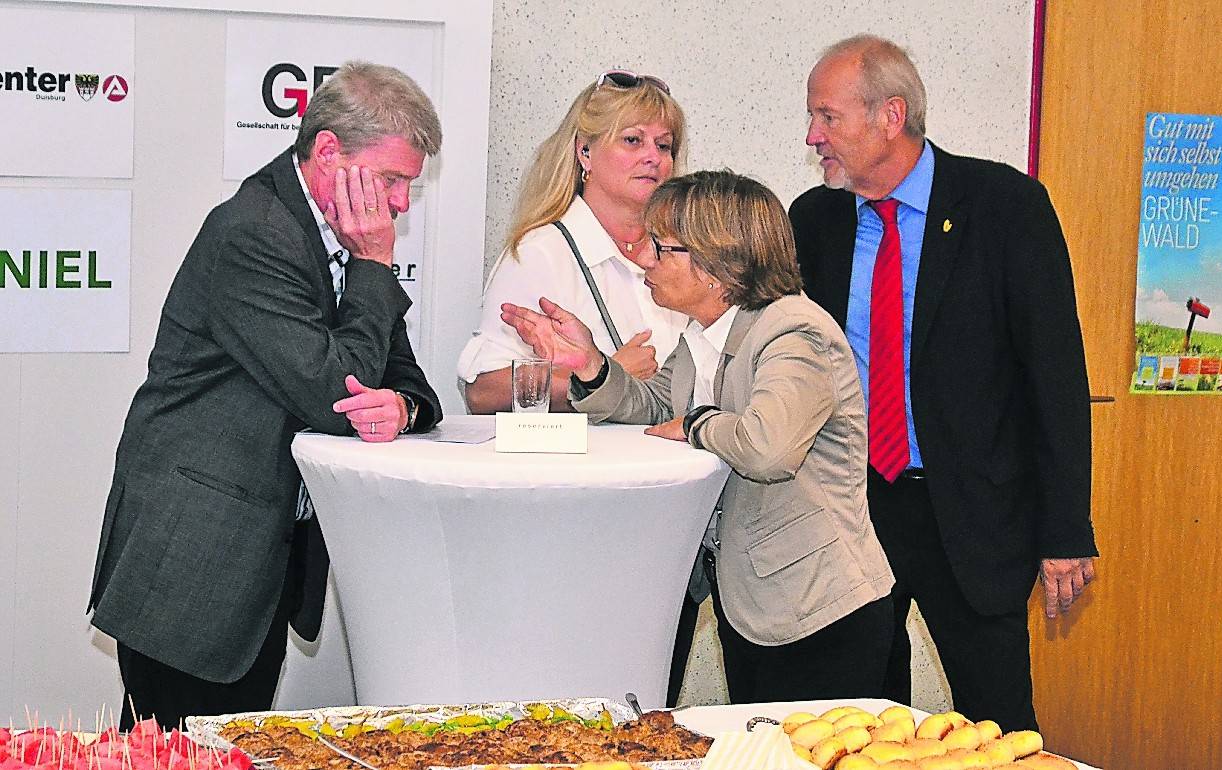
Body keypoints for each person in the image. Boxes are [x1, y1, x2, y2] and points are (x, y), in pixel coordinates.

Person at [88, 61, 444, 729]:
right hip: (195, 565)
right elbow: (336, 394)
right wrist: (372, 266)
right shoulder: (256, 231)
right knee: (173, 753)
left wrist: (404, 408)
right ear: (330, 151)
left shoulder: (333, 231)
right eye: (392, 180)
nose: (399, 204)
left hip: (257, 568)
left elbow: (408, 380)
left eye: (406, 187)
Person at [790, 34, 1097, 731]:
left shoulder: (1005, 207)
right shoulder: (814, 220)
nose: (813, 137)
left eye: (827, 117)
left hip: (974, 517)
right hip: (853, 513)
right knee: (858, 723)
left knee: (998, 724)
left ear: (890, 116)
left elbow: (1054, 378)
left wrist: (1065, 528)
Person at [500, 170, 896, 703]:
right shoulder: (705, 330)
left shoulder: (794, 331)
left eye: (660, 247)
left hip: (816, 607)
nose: (643, 259)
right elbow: (654, 404)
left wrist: (696, 424)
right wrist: (591, 363)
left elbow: (767, 446)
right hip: (752, 598)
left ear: (716, 265)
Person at [458, 70, 688, 414]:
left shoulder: (688, 254)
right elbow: (482, 392)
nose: (653, 157)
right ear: (585, 152)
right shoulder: (540, 253)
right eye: (632, 140)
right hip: (586, 465)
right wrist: (601, 377)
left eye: (664, 145)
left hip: (683, 464)